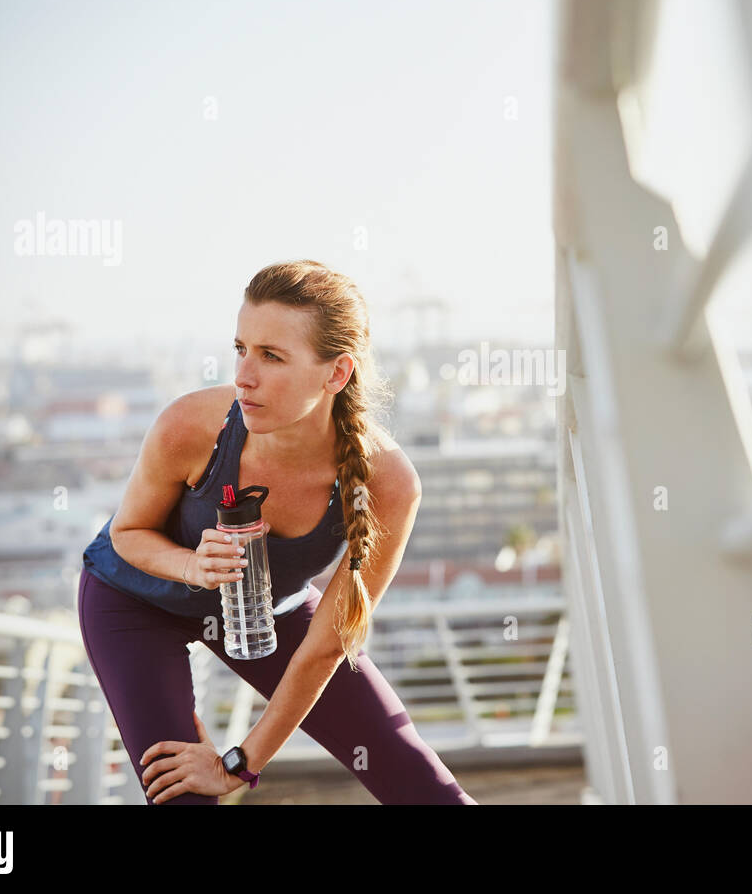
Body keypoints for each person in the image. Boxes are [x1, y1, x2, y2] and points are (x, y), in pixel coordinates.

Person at [77, 260, 476, 804]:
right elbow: (128, 532)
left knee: (418, 780)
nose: (244, 375)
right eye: (241, 348)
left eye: (271, 356)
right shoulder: (191, 426)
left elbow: (327, 644)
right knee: (183, 795)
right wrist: (192, 565)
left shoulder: (390, 482)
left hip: (269, 611)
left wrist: (240, 764)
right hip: (134, 604)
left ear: (336, 373)